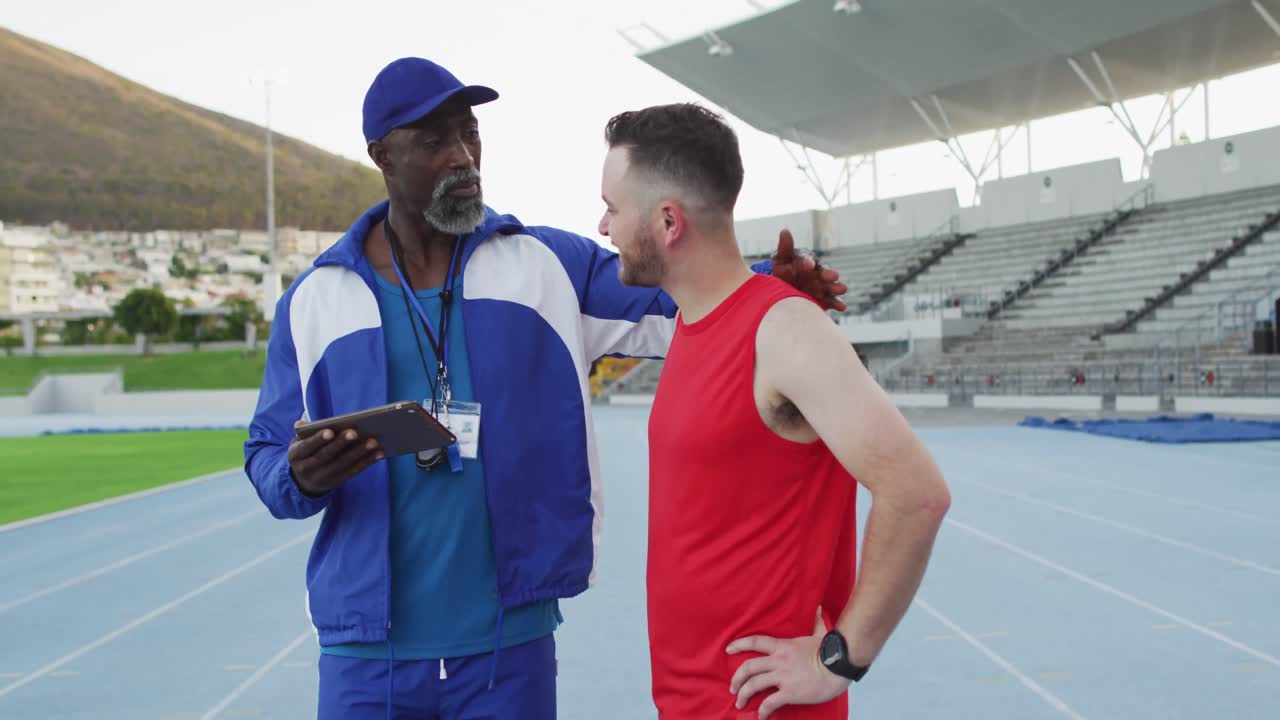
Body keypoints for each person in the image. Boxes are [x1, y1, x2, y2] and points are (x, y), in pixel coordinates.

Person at [243, 58, 847, 720]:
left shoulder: (547, 264)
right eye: (435, 141)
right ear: (382, 155)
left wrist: (768, 283)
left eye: (470, 133)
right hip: (365, 655)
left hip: (509, 647)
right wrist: (299, 478)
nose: (463, 156)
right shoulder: (315, 300)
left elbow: (684, 296)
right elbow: (267, 451)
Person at [598, 103, 951, 719]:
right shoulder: (693, 325)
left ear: (667, 221)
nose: (603, 225)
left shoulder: (784, 330)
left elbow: (917, 494)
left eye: (612, 206)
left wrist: (839, 658)